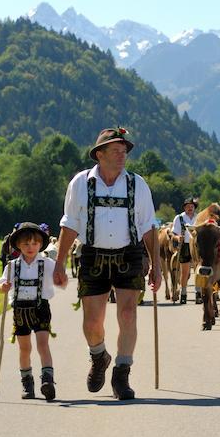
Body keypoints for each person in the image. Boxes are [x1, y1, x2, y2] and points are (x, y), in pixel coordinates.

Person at [52, 127, 160, 400]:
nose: (122, 155)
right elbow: (70, 224)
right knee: (92, 323)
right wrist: (60, 263)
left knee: (127, 315)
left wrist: (157, 266)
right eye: (116, 150)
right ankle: (99, 356)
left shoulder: (138, 184)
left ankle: (122, 373)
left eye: (124, 151)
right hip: (92, 255)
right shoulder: (80, 183)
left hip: (129, 254)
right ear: (99, 154)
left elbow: (148, 227)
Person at [0, 223, 61, 400]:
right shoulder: (12, 266)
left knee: (42, 344)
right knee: (24, 348)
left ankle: (47, 380)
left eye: (34, 243)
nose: (30, 247)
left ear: (41, 244)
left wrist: (61, 279)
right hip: (20, 310)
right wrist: (3, 287)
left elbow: (59, 276)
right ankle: (27, 383)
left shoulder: (47, 264)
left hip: (40, 308)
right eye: (26, 244)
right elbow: (0, 285)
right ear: (18, 245)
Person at [171, 197, 199, 304]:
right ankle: (183, 293)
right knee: (185, 271)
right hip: (185, 245)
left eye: (192, 206)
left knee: (197, 270)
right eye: (188, 207)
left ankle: (198, 292)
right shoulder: (179, 218)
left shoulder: (198, 217)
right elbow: (173, 233)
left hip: (196, 246)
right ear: (184, 207)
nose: (190, 208)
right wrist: (178, 238)